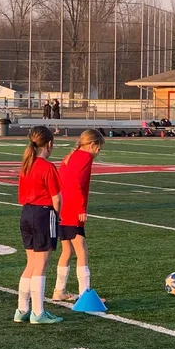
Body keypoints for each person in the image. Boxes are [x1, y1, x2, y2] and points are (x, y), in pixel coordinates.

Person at [16, 125, 63, 325]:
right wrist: (58, 215)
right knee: (41, 265)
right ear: (49, 144)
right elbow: (57, 198)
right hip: (44, 213)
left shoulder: (27, 164)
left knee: (31, 263)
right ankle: (38, 312)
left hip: (26, 213)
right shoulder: (47, 166)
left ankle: (22, 309)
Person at [52, 129, 105, 302]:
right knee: (82, 250)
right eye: (99, 148)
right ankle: (85, 294)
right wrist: (81, 209)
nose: (99, 152)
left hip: (62, 208)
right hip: (72, 208)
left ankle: (59, 290)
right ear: (92, 145)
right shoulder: (85, 157)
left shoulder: (71, 155)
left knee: (67, 250)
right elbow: (76, 184)